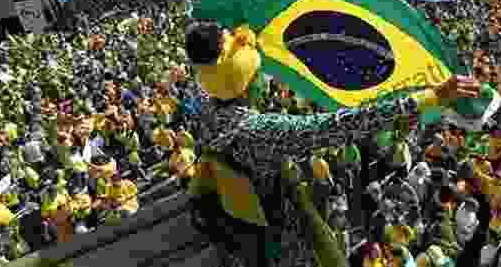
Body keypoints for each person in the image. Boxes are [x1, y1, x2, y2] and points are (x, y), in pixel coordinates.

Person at [184, 22, 482, 267]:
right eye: (259, 74)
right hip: (280, 245)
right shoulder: (258, 131)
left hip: (239, 240)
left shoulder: (207, 111)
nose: (266, 80)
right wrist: (427, 97)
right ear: (245, 82)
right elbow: (339, 126)